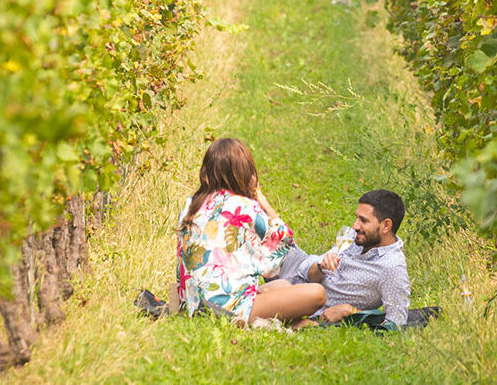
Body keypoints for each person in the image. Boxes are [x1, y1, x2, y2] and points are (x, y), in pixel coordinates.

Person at [173, 137, 325, 325]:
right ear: (244, 172)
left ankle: (282, 324)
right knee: (317, 294)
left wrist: (174, 305)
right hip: (226, 309)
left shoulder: (190, 204)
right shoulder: (244, 206)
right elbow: (284, 244)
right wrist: (260, 199)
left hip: (188, 302)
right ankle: (274, 325)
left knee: (283, 286)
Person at [283, 189, 412, 327]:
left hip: (304, 303)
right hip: (296, 274)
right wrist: (321, 266)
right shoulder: (355, 237)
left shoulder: (392, 267)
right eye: (356, 218)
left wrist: (351, 311)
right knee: (271, 235)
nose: (355, 226)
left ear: (386, 225)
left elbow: (395, 323)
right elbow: (306, 272)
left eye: (363, 220)